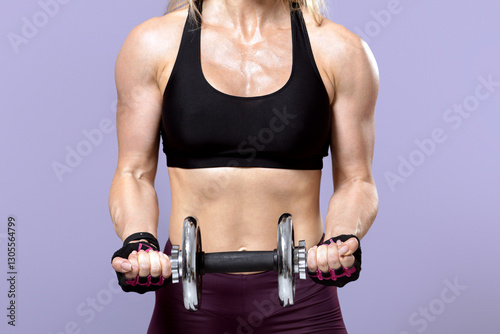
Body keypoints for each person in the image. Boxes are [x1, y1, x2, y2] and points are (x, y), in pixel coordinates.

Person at [109, 0, 379, 332]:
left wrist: (340, 239)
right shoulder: (152, 44)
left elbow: (357, 180)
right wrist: (139, 240)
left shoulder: (341, 51)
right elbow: (132, 172)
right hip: (190, 300)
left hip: (301, 297)